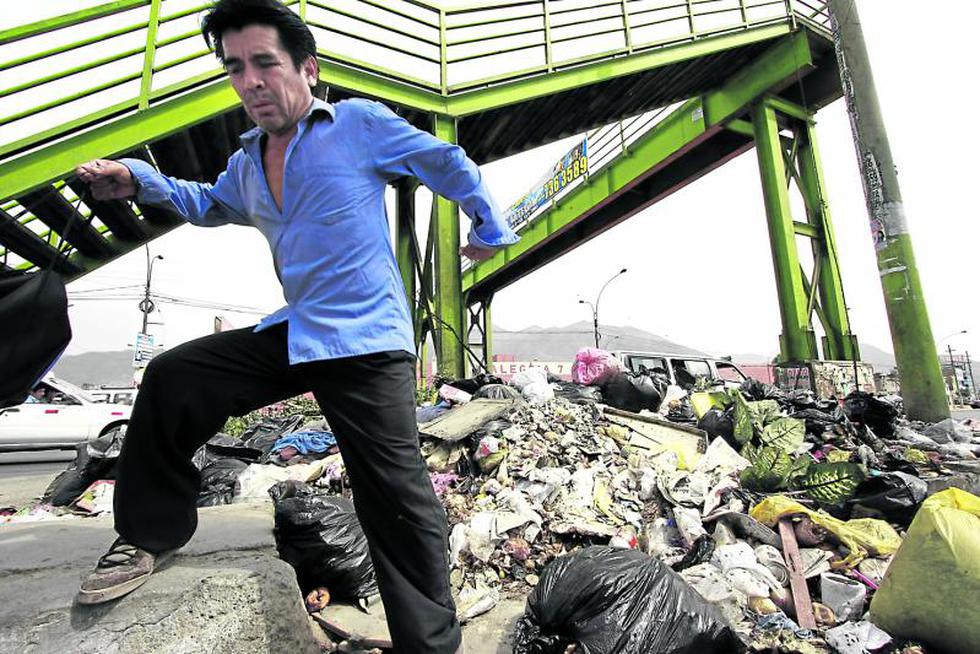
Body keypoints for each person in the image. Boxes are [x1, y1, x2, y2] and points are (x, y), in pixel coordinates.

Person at [73, 1, 518, 651]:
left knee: (394, 498)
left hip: (367, 343)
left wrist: (489, 225)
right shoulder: (250, 161)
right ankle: (150, 534)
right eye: (235, 68)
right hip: (302, 331)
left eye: (265, 63)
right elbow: (207, 203)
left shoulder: (357, 125)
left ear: (306, 69)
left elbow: (442, 161)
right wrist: (137, 179)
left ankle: (431, 644)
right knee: (175, 377)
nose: (250, 81)